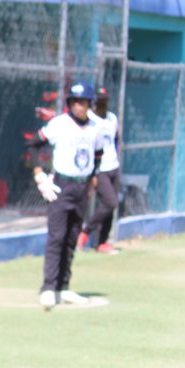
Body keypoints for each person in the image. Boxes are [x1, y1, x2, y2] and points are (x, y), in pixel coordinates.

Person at [25, 80, 104, 310]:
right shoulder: (59, 124)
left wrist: (93, 178)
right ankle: (48, 287)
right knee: (57, 236)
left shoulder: (96, 127)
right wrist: (40, 174)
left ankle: (63, 286)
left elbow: (98, 154)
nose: (79, 106)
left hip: (82, 186)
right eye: (75, 101)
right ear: (70, 103)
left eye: (83, 102)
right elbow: (33, 144)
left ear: (90, 104)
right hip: (62, 185)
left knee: (71, 237)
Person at [78, 86, 121, 254]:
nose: (102, 104)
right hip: (100, 168)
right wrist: (92, 171)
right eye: (99, 101)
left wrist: (116, 156)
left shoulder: (112, 118)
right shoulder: (90, 119)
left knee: (111, 207)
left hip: (113, 166)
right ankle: (86, 231)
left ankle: (102, 242)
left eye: (105, 101)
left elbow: (116, 139)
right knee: (111, 202)